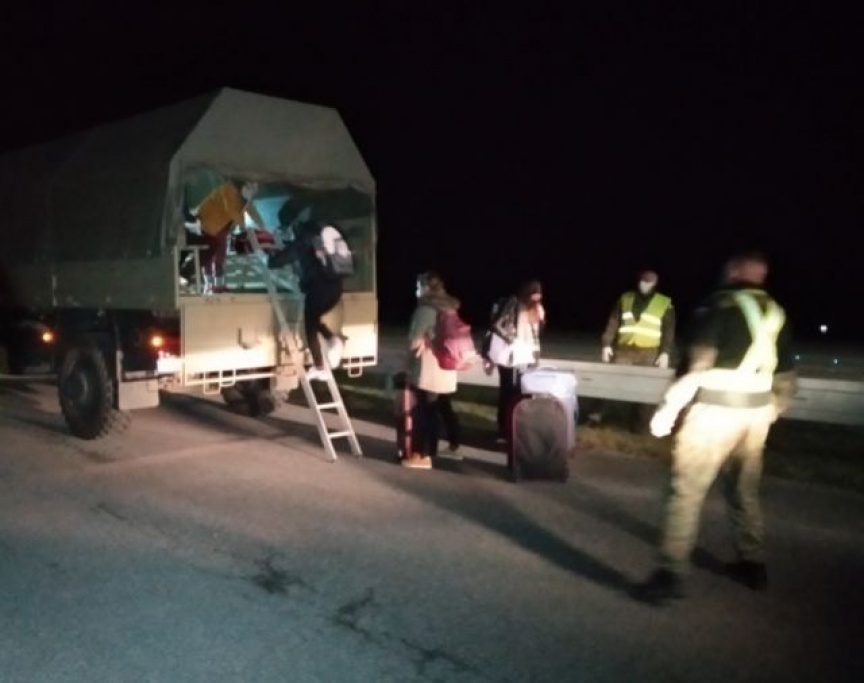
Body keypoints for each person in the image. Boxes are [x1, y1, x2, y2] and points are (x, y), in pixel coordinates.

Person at [632, 251, 797, 605]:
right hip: (755, 417)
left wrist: (667, 411)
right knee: (744, 490)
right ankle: (753, 564)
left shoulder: (720, 306)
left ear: (735, 271)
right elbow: (786, 380)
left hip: (713, 414)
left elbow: (697, 367)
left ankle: (670, 573)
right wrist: (772, 411)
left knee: (686, 491)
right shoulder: (777, 313)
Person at [268, 213, 347, 381]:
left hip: (319, 289)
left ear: (296, 225)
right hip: (336, 288)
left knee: (310, 325)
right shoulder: (320, 236)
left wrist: (270, 257)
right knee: (314, 318)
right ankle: (332, 339)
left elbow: (278, 261)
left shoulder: (303, 241)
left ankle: (320, 367)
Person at [595, 269, 676, 431]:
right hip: (625, 349)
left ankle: (638, 425)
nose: (645, 285)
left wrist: (665, 352)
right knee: (612, 382)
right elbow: (613, 322)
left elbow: (668, 330)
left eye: (648, 282)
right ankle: (598, 417)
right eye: (643, 281)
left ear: (655, 284)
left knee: (645, 388)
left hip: (649, 352)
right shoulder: (626, 298)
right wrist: (606, 344)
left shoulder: (664, 302)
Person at [402, 271, 460, 469]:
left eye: (418, 286)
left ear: (426, 288)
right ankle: (443, 449)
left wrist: (407, 363)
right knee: (437, 409)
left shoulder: (425, 309)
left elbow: (413, 341)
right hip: (447, 366)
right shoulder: (450, 307)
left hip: (429, 368)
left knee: (425, 412)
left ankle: (423, 454)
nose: (417, 290)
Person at [483, 280, 545, 444]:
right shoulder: (515, 304)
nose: (537, 296)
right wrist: (512, 340)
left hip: (526, 357)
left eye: (539, 293)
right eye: (534, 292)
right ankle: (504, 430)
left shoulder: (537, 308)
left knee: (522, 394)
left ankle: (517, 429)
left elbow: (536, 335)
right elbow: (498, 325)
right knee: (508, 393)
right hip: (510, 357)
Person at [186, 180, 267, 294]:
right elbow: (231, 210)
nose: (254, 191)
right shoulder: (229, 189)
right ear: (245, 185)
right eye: (252, 187)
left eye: (255, 189)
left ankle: (218, 285)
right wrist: (243, 225)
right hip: (208, 225)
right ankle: (209, 284)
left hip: (221, 228)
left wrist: (262, 226)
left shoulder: (245, 197)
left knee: (220, 256)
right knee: (209, 256)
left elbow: (251, 210)